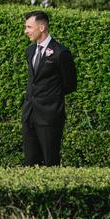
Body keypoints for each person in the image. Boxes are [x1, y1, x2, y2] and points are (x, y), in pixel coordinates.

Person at [22, 11, 77, 166]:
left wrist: (50, 98)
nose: (26, 31)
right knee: (30, 163)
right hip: (29, 114)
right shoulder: (30, 51)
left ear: (42, 27)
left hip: (49, 116)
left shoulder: (61, 53)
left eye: (28, 27)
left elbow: (70, 84)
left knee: (50, 162)